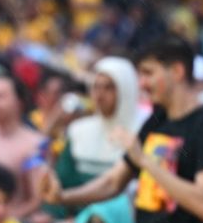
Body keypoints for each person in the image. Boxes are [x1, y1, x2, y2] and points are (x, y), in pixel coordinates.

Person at [45, 36, 203, 223]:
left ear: (177, 71)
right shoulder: (158, 119)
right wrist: (64, 196)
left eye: (148, 73)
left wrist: (146, 161)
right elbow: (113, 181)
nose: (142, 84)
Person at [55, 57, 140, 190]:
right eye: (96, 87)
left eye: (109, 88)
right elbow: (63, 180)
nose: (99, 95)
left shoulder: (144, 129)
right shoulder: (78, 130)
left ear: (126, 89)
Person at [0, 75, 47, 220]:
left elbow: (38, 197)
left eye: (0, 96)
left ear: (19, 102)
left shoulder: (36, 144)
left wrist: (6, 218)